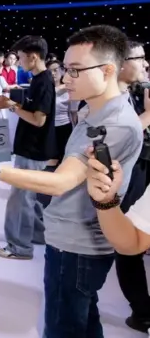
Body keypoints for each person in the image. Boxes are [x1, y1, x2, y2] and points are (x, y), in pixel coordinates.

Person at [0, 25, 143, 337]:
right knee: (82, 323)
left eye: (75, 70)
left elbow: (62, 182)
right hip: (71, 239)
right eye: (66, 69)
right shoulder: (97, 111)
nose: (66, 78)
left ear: (107, 70)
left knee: (65, 327)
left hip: (78, 246)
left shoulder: (115, 123)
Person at [0, 36, 56, 259]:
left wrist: (11, 106)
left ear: (33, 57)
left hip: (33, 149)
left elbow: (39, 120)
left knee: (20, 199)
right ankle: (37, 235)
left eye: (20, 57)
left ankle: (19, 247)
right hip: (31, 148)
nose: (18, 62)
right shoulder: (38, 79)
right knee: (29, 197)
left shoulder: (44, 82)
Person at [111, 40, 150, 333]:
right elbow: (118, 135)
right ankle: (142, 311)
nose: (146, 64)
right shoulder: (111, 97)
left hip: (143, 165)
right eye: (140, 58)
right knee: (128, 240)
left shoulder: (137, 91)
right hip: (132, 171)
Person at [36, 60, 79, 207]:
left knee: (63, 162)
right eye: (50, 70)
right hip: (48, 129)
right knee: (48, 162)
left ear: (61, 71)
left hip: (64, 128)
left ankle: (60, 197)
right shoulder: (46, 88)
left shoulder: (68, 89)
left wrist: (76, 130)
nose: (53, 73)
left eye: (56, 70)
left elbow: (73, 112)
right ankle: (45, 197)